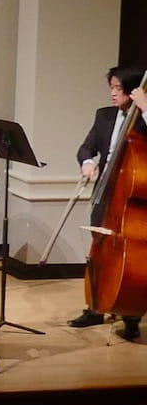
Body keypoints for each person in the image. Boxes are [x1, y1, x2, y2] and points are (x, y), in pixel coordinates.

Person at [70, 67, 147, 336]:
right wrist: (87, 163)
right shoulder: (104, 115)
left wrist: (145, 108)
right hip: (105, 193)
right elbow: (86, 148)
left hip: (134, 198)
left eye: (118, 88)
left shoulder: (142, 117)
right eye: (111, 87)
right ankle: (95, 307)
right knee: (99, 251)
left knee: (133, 257)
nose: (113, 93)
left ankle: (131, 315)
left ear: (133, 90)